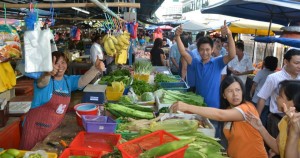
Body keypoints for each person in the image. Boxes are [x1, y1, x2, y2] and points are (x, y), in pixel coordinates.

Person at [20, 51, 105, 150]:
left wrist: (95, 68)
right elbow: (42, 82)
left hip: (53, 129)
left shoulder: (67, 81)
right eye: (56, 63)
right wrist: (47, 73)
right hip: (35, 129)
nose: (60, 66)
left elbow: (82, 80)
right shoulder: (44, 80)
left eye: (63, 62)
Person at [170, 76, 268, 158]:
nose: (235, 94)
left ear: (242, 92)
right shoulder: (229, 109)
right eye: (230, 91)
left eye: (238, 90)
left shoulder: (247, 108)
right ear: (224, 95)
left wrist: (188, 106)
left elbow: (220, 115)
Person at [175, 21, 236, 137]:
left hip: (214, 109)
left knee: (214, 136)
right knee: (201, 136)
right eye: (202, 49)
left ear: (212, 50)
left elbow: (232, 55)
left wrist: (229, 35)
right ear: (198, 51)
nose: (205, 52)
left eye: (207, 49)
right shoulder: (195, 63)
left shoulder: (217, 63)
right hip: (199, 108)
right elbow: (183, 52)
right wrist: (177, 36)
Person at [246, 80, 300, 158]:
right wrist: (260, 127)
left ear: (293, 102)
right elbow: (278, 148)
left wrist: (294, 133)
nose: (276, 98)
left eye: (281, 96)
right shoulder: (285, 120)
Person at [256, 48, 300, 139]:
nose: (299, 66)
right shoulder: (274, 78)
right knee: (276, 148)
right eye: (296, 63)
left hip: (296, 120)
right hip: (277, 119)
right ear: (286, 62)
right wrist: (257, 119)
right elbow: (262, 98)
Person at [250, 56, 278, 127]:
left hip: (257, 98)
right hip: (268, 101)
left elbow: (254, 84)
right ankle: (262, 131)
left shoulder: (261, 72)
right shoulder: (275, 75)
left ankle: (253, 130)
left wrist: (251, 93)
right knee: (263, 117)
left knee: (254, 115)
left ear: (265, 63)